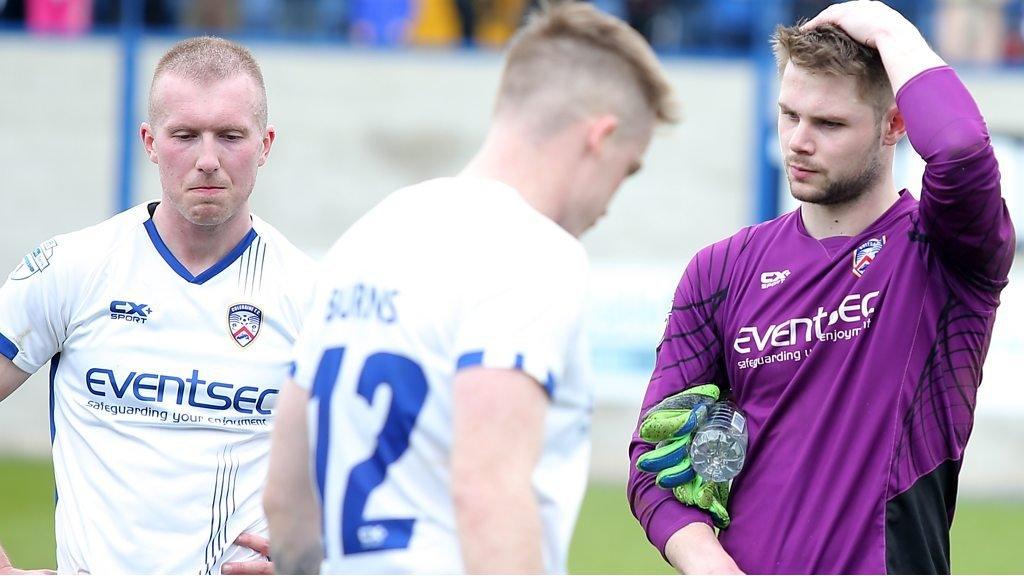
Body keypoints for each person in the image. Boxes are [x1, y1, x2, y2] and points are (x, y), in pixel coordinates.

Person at [263, 3, 677, 574]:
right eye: (626, 169)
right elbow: (487, 493)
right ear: (599, 138)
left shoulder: (368, 234)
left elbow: (285, 499)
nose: (610, 200)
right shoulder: (536, 253)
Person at [628, 0, 1015, 573]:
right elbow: (651, 464)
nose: (798, 142)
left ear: (895, 125)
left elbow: (959, 148)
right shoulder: (719, 272)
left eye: (829, 123)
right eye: (789, 115)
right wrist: (710, 563)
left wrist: (887, 27)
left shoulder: (947, 251)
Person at [0, 36, 314, 574]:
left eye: (231, 136)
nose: (208, 159)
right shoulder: (74, 267)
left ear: (265, 144)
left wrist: (313, 561)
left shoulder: (309, 296)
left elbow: (383, 467)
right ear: (149, 140)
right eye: (185, 135)